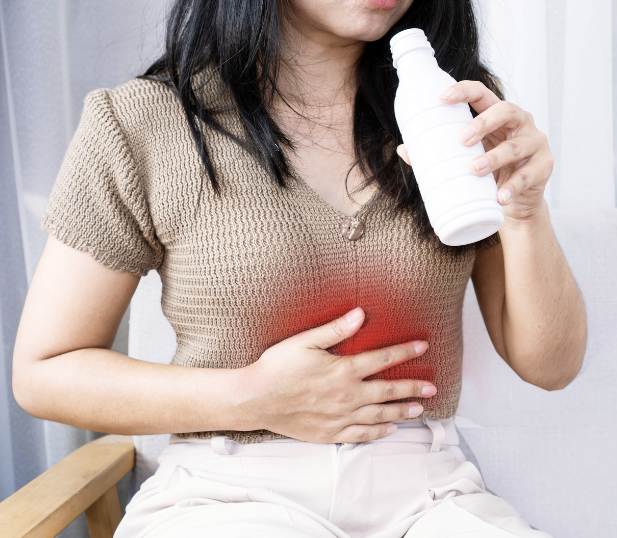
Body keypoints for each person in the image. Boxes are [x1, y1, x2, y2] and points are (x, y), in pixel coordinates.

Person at [12, 0, 587, 536]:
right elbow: (45, 370)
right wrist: (250, 396)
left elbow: (551, 366)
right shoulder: (145, 123)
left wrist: (525, 210)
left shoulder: (453, 111)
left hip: (429, 497)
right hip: (229, 498)